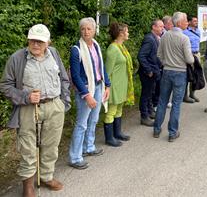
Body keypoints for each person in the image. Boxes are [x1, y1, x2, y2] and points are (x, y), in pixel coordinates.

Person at [0, 24, 71, 196]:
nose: (36, 44)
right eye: (33, 40)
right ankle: (28, 185)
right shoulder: (17, 58)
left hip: (54, 106)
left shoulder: (53, 53)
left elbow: (63, 78)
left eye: (40, 41)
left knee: (51, 145)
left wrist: (63, 101)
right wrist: (25, 97)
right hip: (29, 109)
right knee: (27, 147)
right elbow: (5, 85)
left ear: (48, 42)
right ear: (28, 40)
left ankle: (46, 176)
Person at [69, 17, 111, 169]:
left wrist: (107, 85)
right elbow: (75, 75)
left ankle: (89, 147)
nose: (86, 32)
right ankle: (75, 157)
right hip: (86, 89)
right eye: (83, 29)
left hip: (98, 86)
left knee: (93, 119)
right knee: (81, 124)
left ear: (94, 30)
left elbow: (101, 68)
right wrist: (87, 95)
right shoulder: (76, 49)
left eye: (89, 29)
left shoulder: (96, 46)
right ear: (80, 31)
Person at [153, 12, 194, 142]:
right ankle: (172, 132)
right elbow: (189, 59)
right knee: (176, 103)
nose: (187, 22)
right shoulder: (184, 38)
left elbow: (159, 55)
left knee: (162, 101)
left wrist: (166, 63)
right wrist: (192, 59)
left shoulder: (165, 36)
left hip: (166, 71)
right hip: (180, 73)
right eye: (186, 20)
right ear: (180, 22)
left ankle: (157, 129)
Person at [104, 22, 134, 146]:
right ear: (120, 33)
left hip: (122, 84)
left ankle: (117, 133)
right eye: (126, 31)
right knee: (111, 111)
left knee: (119, 109)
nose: (128, 33)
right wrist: (107, 87)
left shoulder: (122, 47)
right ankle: (109, 138)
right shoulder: (113, 49)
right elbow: (107, 71)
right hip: (114, 86)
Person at [138, 19, 164, 127]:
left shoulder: (155, 38)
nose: (162, 29)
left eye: (163, 26)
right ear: (154, 27)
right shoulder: (149, 39)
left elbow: (154, 56)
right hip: (147, 73)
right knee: (145, 94)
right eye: (160, 26)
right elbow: (141, 56)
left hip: (154, 72)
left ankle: (150, 111)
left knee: (150, 93)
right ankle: (144, 116)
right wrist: (148, 70)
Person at [183, 16, 201, 103]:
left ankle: (192, 93)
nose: (196, 22)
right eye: (194, 21)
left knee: (196, 75)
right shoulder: (184, 32)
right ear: (189, 22)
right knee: (188, 75)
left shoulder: (198, 31)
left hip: (197, 54)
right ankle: (185, 95)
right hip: (189, 54)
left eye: (197, 21)